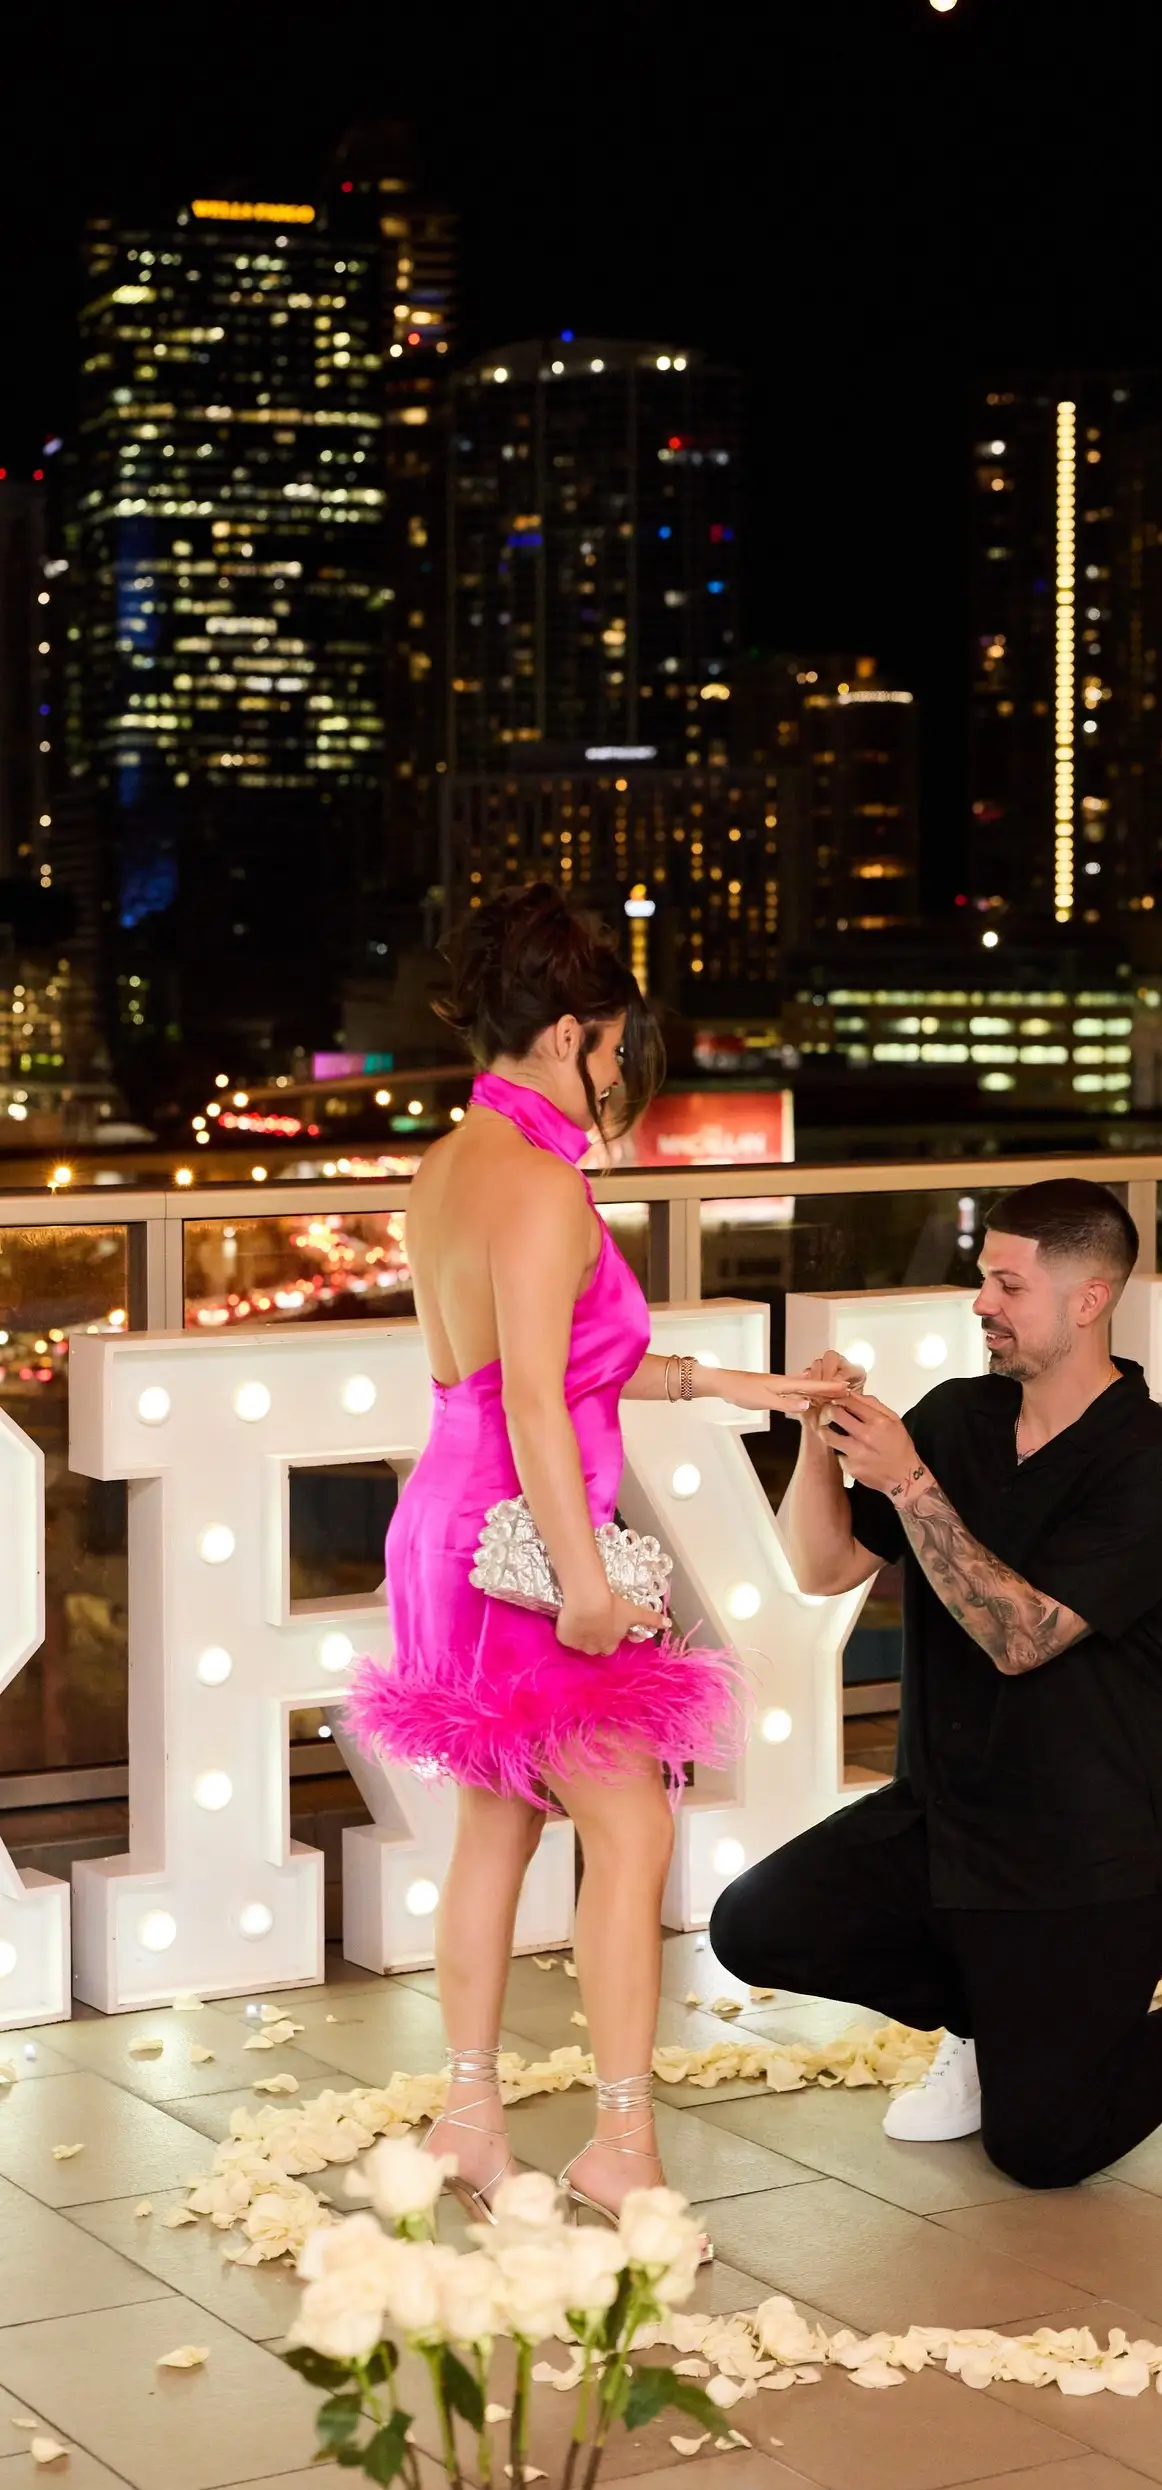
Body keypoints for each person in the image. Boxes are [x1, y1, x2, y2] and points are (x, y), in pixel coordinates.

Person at [710, 1178, 1162, 2189]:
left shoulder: (1151, 1463)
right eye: (984, 1277)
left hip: (1095, 1846)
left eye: (1007, 1284)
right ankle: (987, 2019)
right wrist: (822, 1440)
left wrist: (907, 1481)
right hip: (948, 1816)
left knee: (1043, 2147)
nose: (982, 1301)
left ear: (1087, 1298)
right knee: (754, 1923)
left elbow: (1020, 1637)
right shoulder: (958, 1415)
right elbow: (826, 1567)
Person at [346, 883, 839, 2224]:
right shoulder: (546, 1183)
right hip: (525, 1544)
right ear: (570, 1032)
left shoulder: (450, 1162)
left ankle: (466, 2118)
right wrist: (582, 1581)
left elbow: (559, 1371)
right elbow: (529, 1402)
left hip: (451, 1528)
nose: (622, 1074)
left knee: (495, 1830)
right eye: (618, 1050)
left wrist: (746, 1387)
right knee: (628, 1826)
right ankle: (620, 2143)